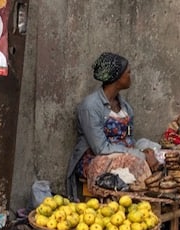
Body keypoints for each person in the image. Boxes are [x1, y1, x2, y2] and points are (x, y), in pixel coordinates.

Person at [65, 53, 163, 201]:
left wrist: (145, 150)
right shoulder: (90, 107)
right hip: (95, 159)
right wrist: (138, 155)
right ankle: (146, 204)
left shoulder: (126, 108)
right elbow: (100, 148)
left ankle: (143, 205)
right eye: (128, 73)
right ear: (117, 78)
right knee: (136, 162)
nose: (131, 76)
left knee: (159, 153)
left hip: (122, 154)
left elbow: (129, 139)